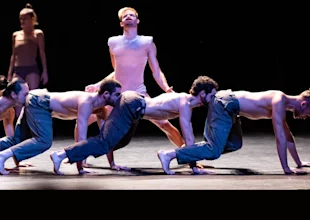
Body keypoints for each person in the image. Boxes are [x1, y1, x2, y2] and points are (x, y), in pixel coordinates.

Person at [50, 75, 219, 175]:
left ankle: (64, 155)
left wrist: (192, 163)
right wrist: (194, 167)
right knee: (103, 142)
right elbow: (188, 137)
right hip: (132, 105)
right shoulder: (185, 104)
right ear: (202, 93)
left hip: (133, 104)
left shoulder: (183, 100)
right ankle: (61, 155)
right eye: (212, 95)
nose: (214, 98)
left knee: (108, 141)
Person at [81, 7, 184, 166]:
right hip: (118, 94)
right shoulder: (113, 42)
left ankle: (186, 154)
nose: (128, 17)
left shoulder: (147, 42)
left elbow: (156, 71)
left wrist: (166, 89)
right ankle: (79, 156)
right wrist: (98, 85)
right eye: (125, 16)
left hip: (138, 92)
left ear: (137, 21)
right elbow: (116, 71)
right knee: (87, 118)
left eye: (132, 15)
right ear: (122, 23)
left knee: (164, 124)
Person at [0, 78, 122, 175]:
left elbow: (105, 137)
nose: (119, 98)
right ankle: (1, 156)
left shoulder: (101, 110)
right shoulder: (87, 102)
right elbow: (81, 136)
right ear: (106, 95)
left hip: (37, 100)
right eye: (117, 95)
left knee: (18, 139)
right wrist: (80, 168)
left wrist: (112, 164)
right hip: (39, 102)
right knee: (44, 140)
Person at [157, 87, 310, 175]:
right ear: (305, 104)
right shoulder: (279, 100)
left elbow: (287, 136)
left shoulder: (283, 105)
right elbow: (279, 137)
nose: (305, 117)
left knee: (234, 143)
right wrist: (286, 168)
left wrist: (299, 164)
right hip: (225, 104)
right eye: (309, 114)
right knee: (214, 150)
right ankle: (170, 154)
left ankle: (191, 152)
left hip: (231, 109)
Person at [5, 3, 48, 118]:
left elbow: (42, 53)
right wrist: (9, 74)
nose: (22, 21)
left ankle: (32, 127)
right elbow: (13, 55)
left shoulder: (37, 34)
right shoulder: (16, 35)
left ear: (32, 19)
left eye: (25, 18)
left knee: (31, 98)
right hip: (18, 70)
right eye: (21, 18)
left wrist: (45, 71)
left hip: (32, 69)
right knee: (17, 101)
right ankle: (20, 129)